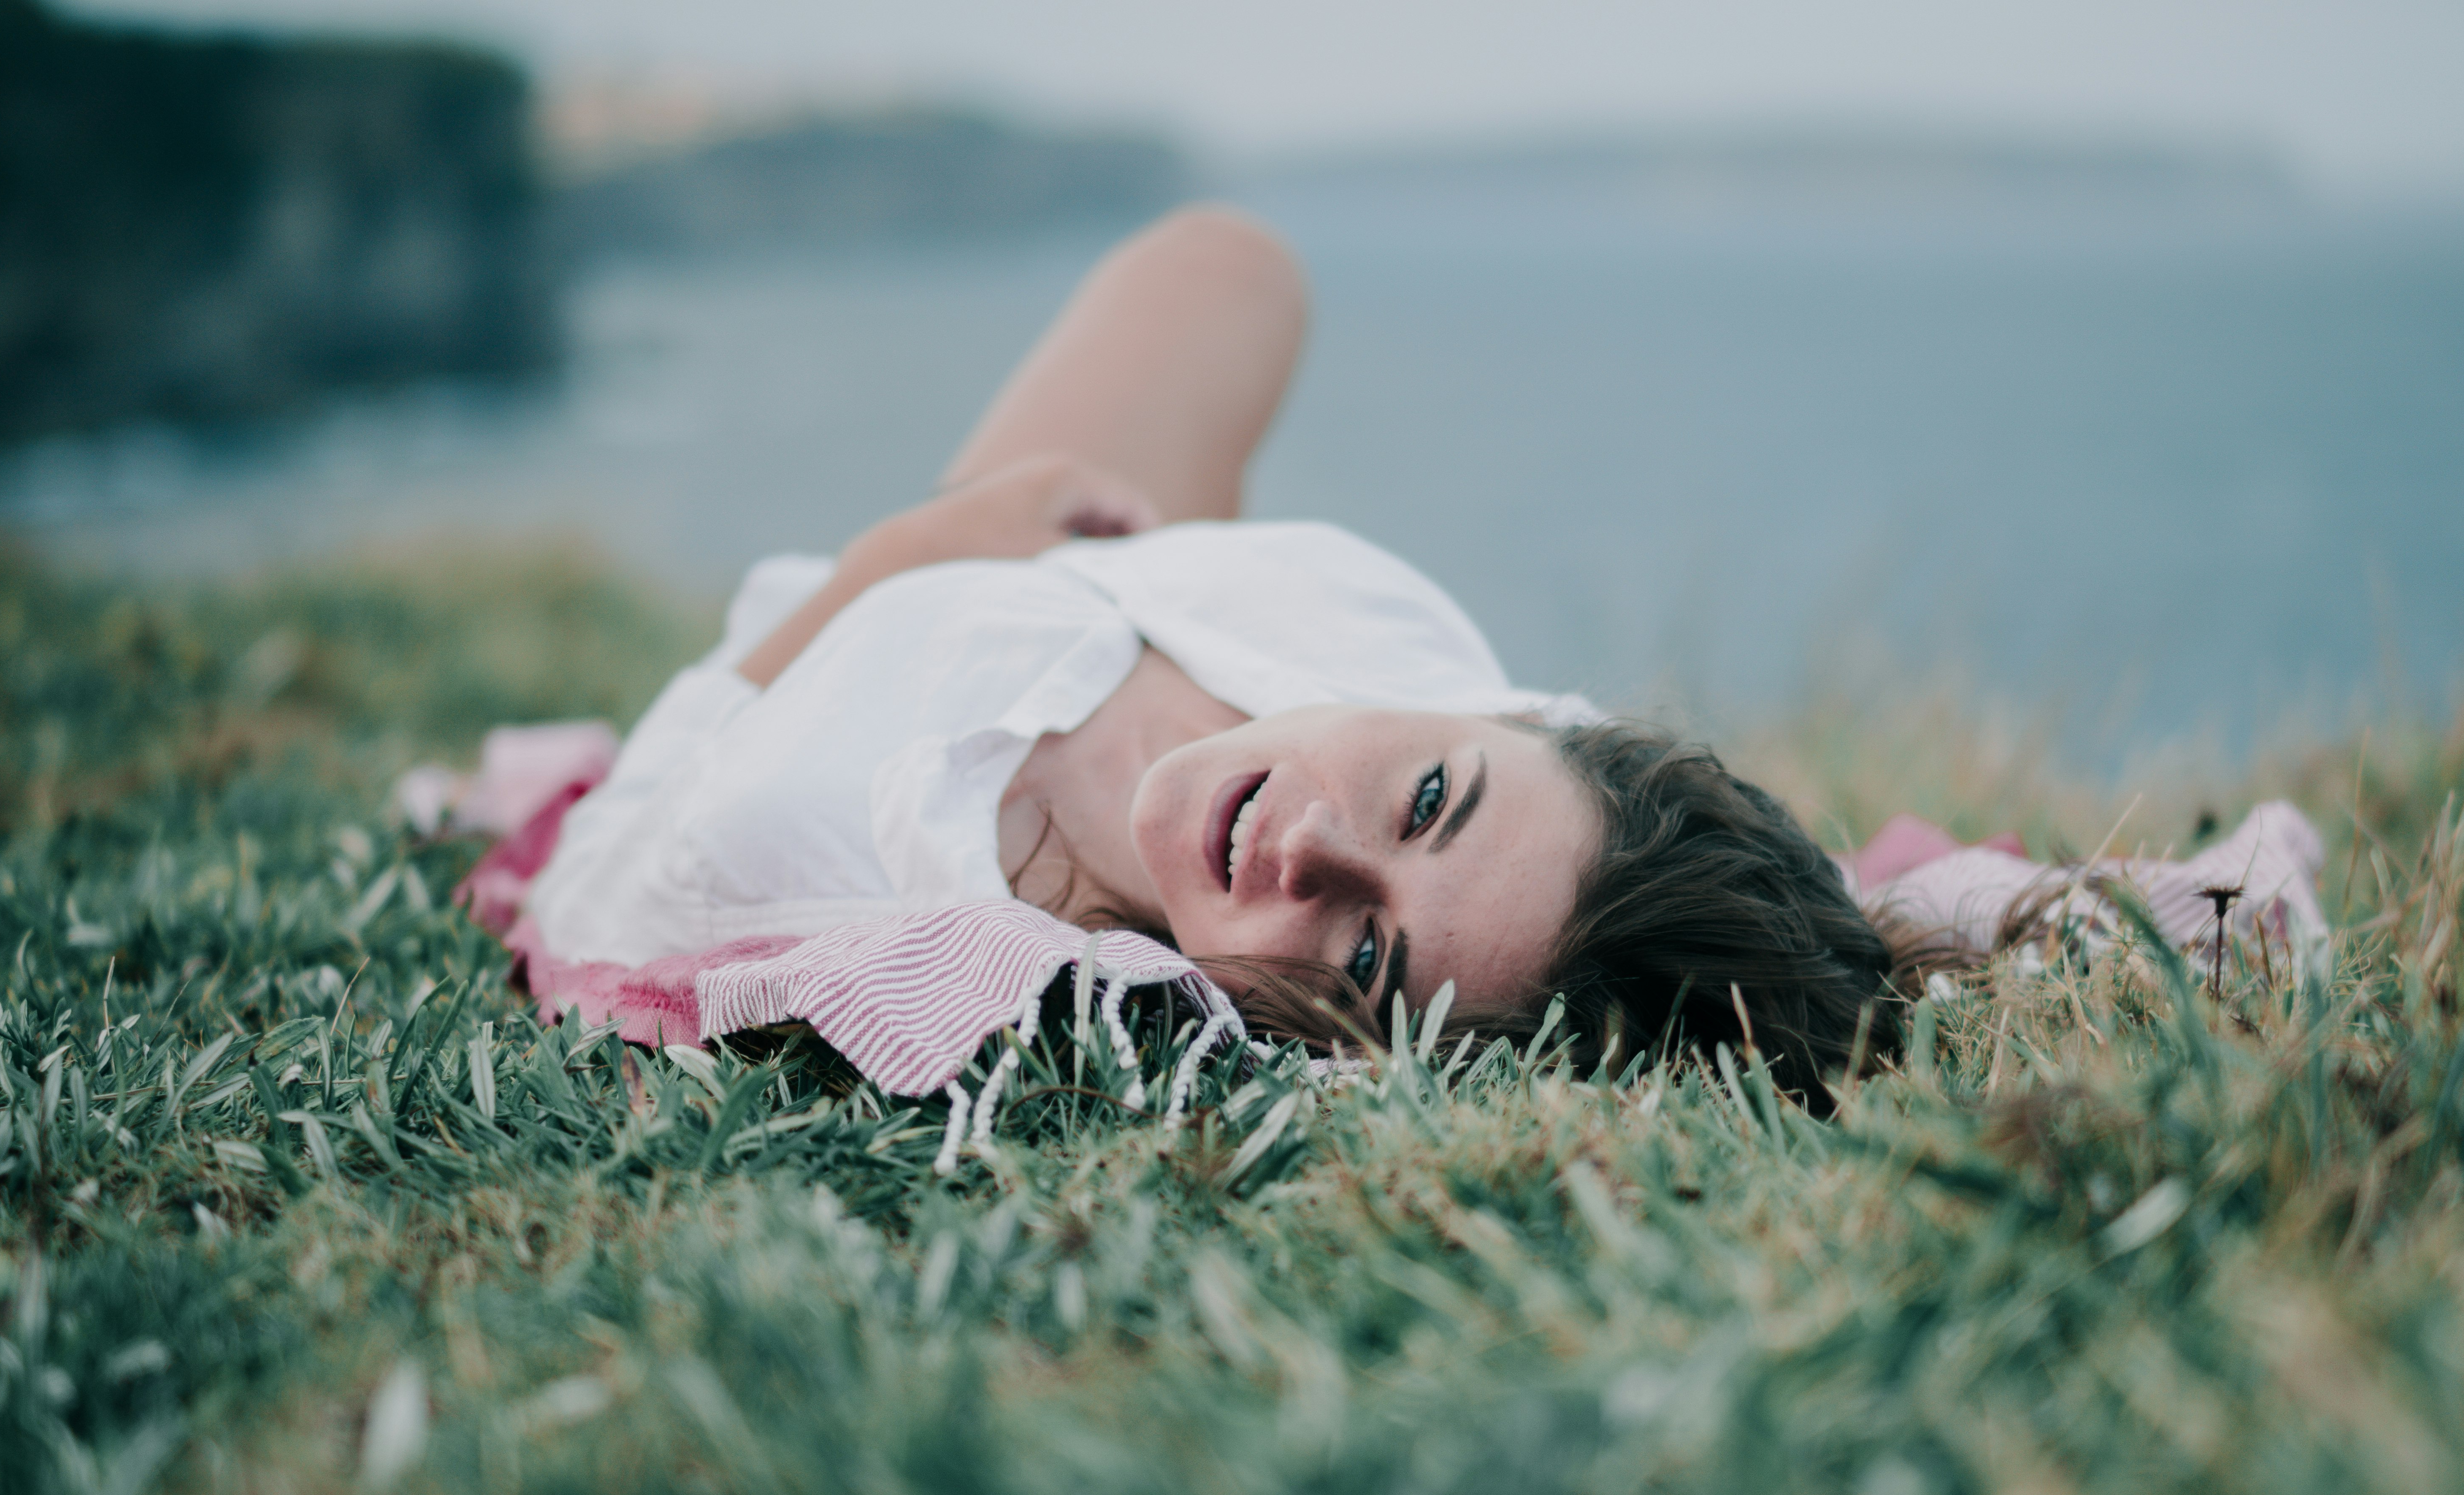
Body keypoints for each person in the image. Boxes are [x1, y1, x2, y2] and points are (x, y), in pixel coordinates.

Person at [520, 206, 1925, 1100]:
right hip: (1139, 563)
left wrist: (922, 546)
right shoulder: (1457, 711)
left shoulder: (886, 865)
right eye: (1430, 798)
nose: (1304, 848)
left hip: (921, 593)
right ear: (1503, 727)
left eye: (1367, 955)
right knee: (1225, 269)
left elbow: (613, 860)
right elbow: (1595, 822)